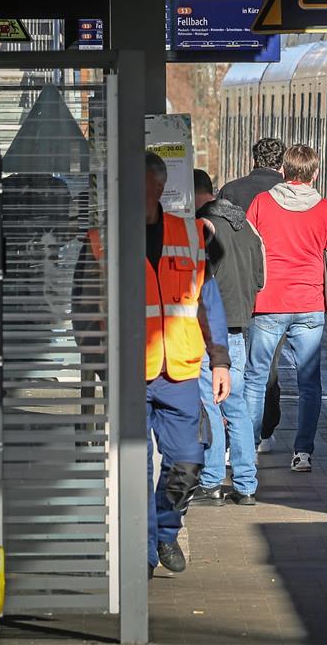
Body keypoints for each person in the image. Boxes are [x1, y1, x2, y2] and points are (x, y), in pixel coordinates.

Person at [143, 152, 231, 576]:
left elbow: (207, 303)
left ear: (159, 188)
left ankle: (165, 530)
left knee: (188, 461)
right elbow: (85, 308)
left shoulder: (191, 234)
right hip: (127, 374)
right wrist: (97, 365)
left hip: (178, 371)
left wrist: (220, 361)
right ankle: (143, 552)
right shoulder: (103, 238)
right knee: (134, 465)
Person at [244, 144, 327, 475]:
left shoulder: (261, 203)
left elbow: (248, 245)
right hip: (309, 305)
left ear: (283, 171)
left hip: (268, 302)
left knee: (256, 378)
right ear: (315, 174)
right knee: (309, 383)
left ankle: (249, 447)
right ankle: (302, 453)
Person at [191, 169, 265, 506]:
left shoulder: (202, 227)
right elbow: (261, 278)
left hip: (211, 330)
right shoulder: (246, 226)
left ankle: (211, 481)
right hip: (240, 327)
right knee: (236, 407)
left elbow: (197, 281)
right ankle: (246, 485)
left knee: (210, 403)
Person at [220, 138, 288, 455]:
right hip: (276, 292)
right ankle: (265, 428)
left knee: (237, 362)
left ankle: (237, 428)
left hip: (236, 290)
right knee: (267, 365)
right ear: (282, 164)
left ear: (253, 159)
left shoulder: (231, 191)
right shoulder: (287, 194)